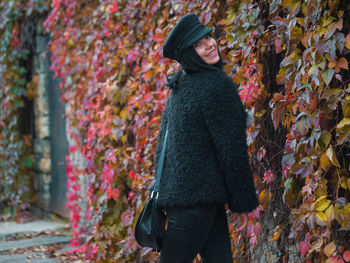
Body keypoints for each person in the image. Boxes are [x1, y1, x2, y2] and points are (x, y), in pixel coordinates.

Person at [152, 13, 258, 263]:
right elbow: (232, 151)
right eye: (198, 44)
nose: (210, 44)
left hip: (193, 202)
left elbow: (163, 150)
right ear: (187, 54)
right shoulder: (214, 85)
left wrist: (163, 195)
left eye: (208, 37)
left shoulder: (183, 85)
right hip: (195, 205)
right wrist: (241, 202)